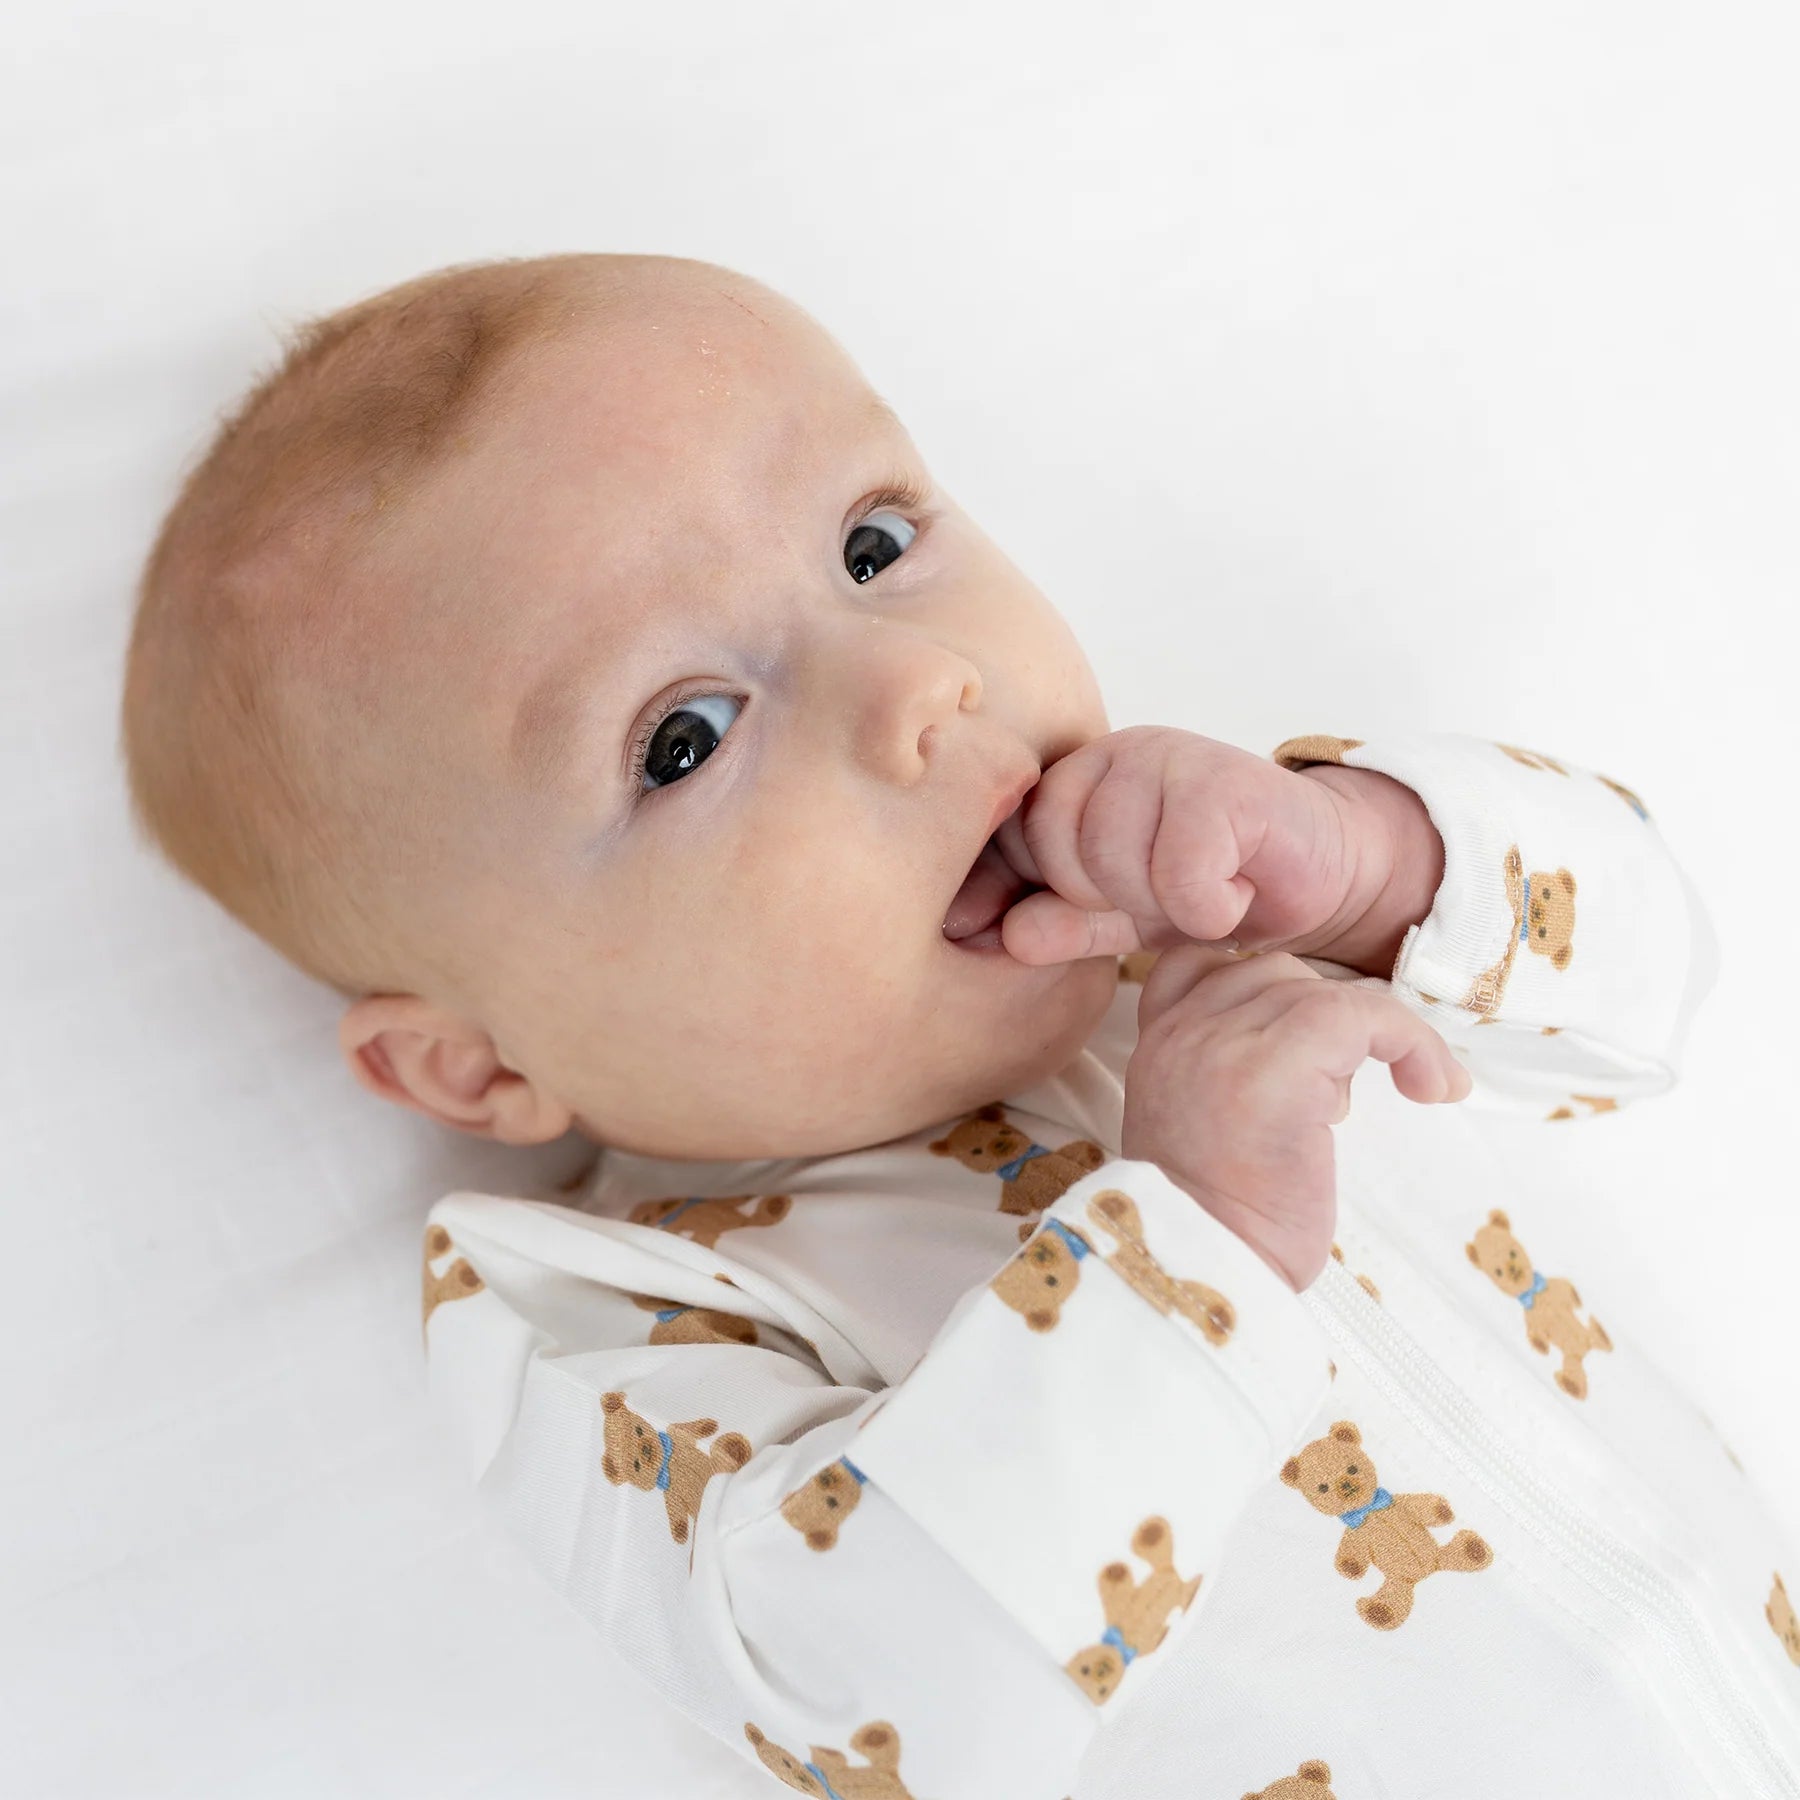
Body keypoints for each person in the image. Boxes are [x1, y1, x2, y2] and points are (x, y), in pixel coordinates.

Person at [119, 252, 1799, 1798]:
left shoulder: (1220, 897)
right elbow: (892, 1703)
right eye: (686, 736)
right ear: (475, 1064)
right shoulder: (618, 1318)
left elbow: (1651, 1003)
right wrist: (1196, 1235)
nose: (917, 683)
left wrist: (1375, 859)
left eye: (873, 546)